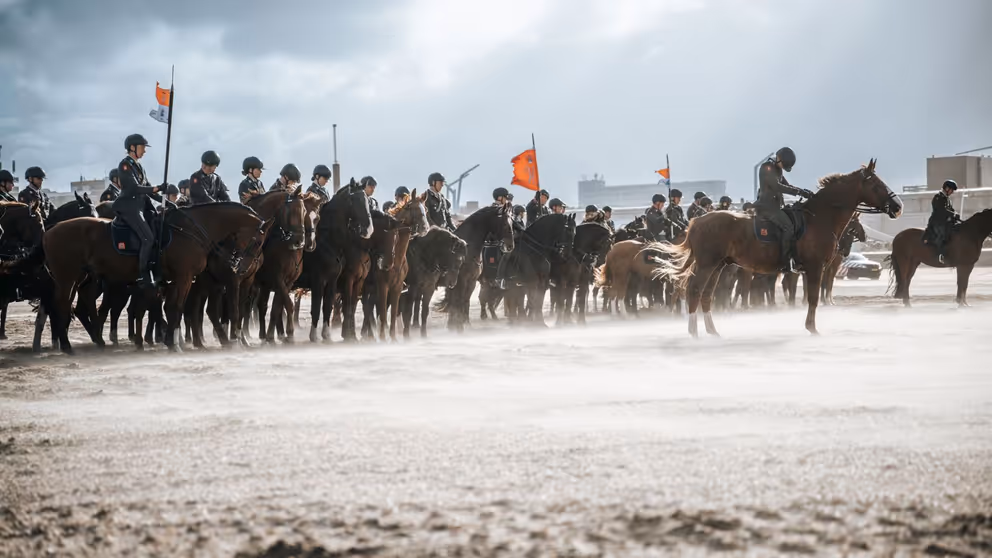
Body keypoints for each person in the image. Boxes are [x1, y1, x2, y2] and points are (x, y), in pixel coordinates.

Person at [112, 134, 162, 287]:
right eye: (142, 148)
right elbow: (134, 188)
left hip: (140, 206)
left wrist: (164, 199)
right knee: (148, 238)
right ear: (132, 148)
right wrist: (156, 188)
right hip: (129, 207)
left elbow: (149, 189)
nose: (144, 151)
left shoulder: (139, 166)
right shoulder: (125, 165)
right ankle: (143, 274)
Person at [755, 147, 814, 272]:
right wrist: (797, 191)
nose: (783, 168)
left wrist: (802, 191)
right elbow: (776, 186)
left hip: (776, 206)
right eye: (784, 164)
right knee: (788, 227)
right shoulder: (767, 167)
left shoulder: (777, 169)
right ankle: (784, 261)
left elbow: (787, 185)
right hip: (767, 207)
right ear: (779, 158)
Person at [925, 179, 961, 264]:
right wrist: (952, 214)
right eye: (952, 190)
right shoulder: (938, 197)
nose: (952, 192)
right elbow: (941, 210)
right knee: (943, 235)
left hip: (945, 221)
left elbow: (951, 209)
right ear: (947, 188)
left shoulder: (947, 198)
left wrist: (956, 214)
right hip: (937, 222)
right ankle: (941, 255)